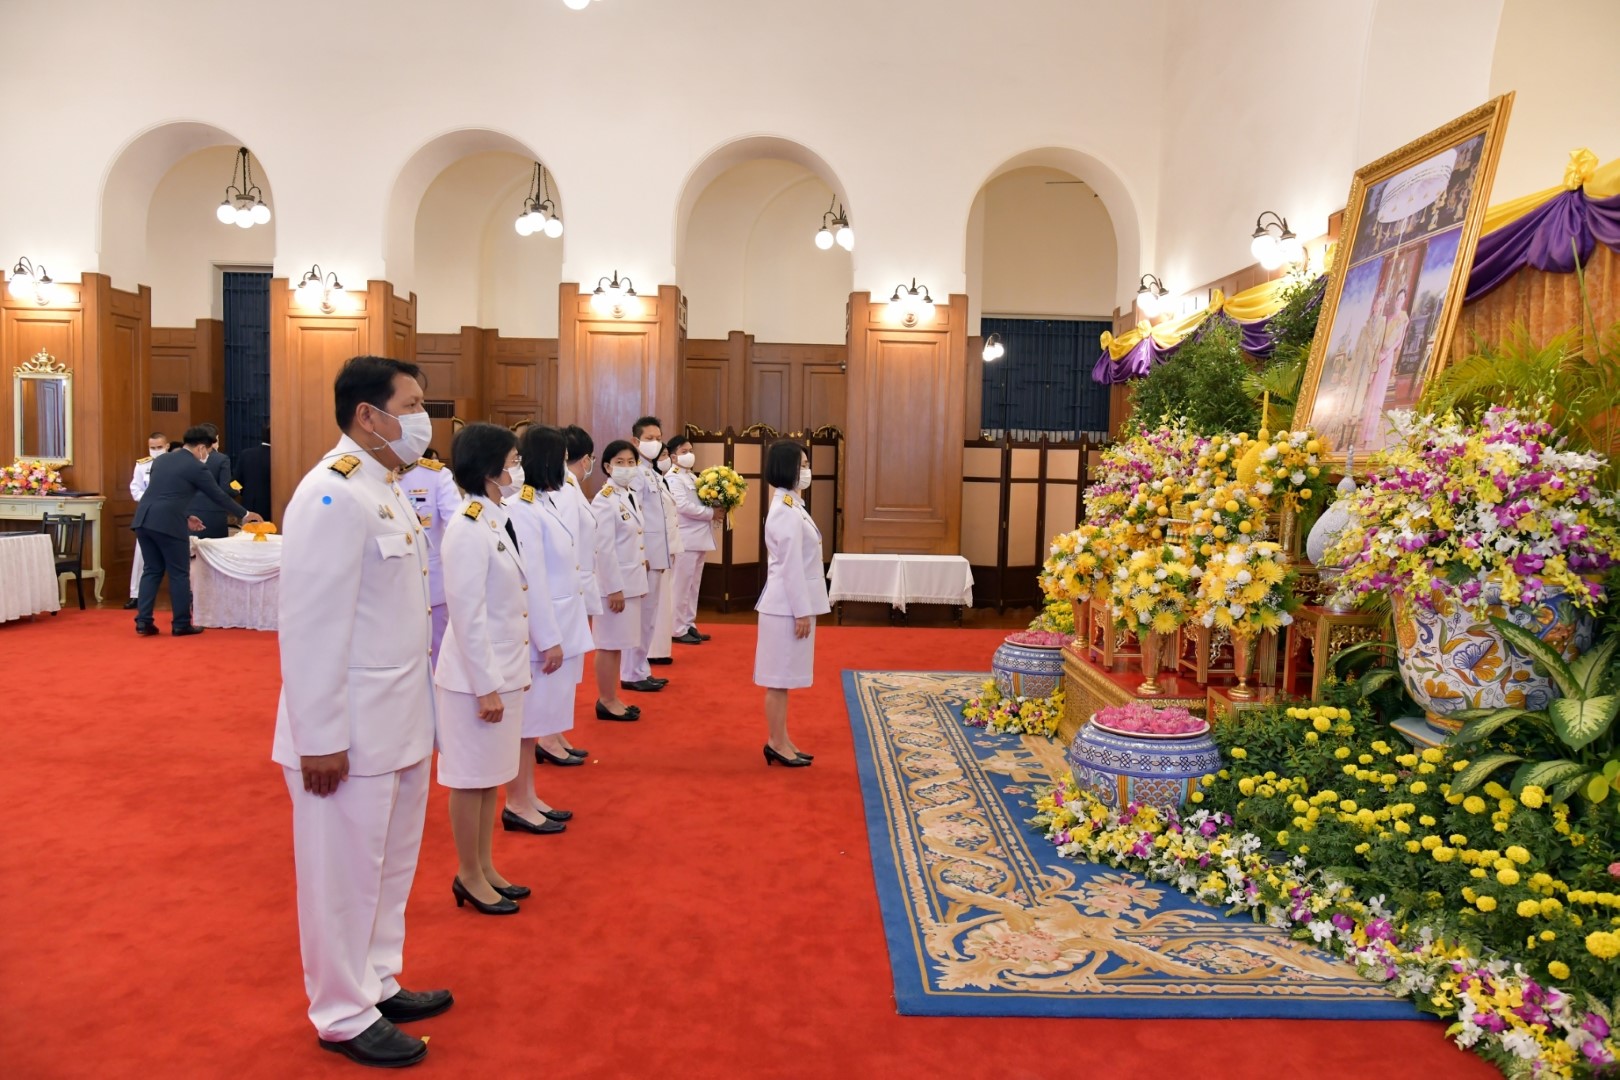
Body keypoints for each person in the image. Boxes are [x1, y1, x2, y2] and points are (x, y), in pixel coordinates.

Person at [272, 355, 449, 1069]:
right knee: (341, 877)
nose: (423, 418)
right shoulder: (331, 493)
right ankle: (342, 1011)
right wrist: (318, 738)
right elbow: (310, 625)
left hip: (397, 721)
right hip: (345, 733)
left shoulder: (386, 487)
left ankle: (375, 980)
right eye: (411, 405)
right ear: (368, 415)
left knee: (387, 867)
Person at [434, 422, 531, 915]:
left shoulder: (494, 517)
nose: (518, 469)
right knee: (469, 778)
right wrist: (486, 685)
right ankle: (467, 874)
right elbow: (467, 614)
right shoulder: (467, 526)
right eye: (513, 461)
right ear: (490, 469)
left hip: (503, 669)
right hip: (475, 679)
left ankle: (486, 865)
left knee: (490, 776)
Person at [507, 425, 591, 829]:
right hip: (543, 631)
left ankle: (529, 796)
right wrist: (548, 638)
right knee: (526, 725)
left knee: (537, 722)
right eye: (561, 458)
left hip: (562, 621)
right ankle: (517, 803)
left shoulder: (545, 500)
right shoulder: (522, 507)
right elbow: (533, 579)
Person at [131, 426, 263, 636]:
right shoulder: (196, 466)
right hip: (168, 524)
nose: (207, 455)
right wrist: (245, 514)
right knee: (179, 573)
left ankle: (143, 621)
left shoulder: (162, 460)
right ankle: (181, 623)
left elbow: (164, 494)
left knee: (152, 570)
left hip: (143, 520)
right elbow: (217, 494)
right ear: (201, 448)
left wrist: (186, 516)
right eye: (208, 451)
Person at [755, 440, 828, 767]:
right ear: (785, 468)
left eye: (807, 464)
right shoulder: (784, 511)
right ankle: (775, 742)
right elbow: (790, 566)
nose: (807, 471)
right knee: (778, 679)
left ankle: (782, 739)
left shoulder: (793, 505)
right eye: (802, 465)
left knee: (784, 679)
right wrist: (802, 611)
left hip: (790, 604)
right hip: (785, 606)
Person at [591, 440, 650, 720]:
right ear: (607, 466)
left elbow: (633, 538)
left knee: (618, 644)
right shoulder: (604, 500)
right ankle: (606, 700)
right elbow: (603, 549)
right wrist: (613, 588)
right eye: (619, 462)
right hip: (615, 587)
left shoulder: (628, 494)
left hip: (630, 582)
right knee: (608, 644)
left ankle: (612, 696)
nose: (626, 467)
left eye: (631, 462)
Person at [622, 416, 672, 692]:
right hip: (646, 557)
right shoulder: (636, 474)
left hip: (658, 555)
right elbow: (635, 517)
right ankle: (632, 673)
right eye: (649, 438)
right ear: (636, 441)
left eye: (658, 438)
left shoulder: (652, 473)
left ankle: (641, 668)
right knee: (640, 619)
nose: (655, 443)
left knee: (649, 617)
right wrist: (641, 554)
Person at [401, 450, 461, 666]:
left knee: (437, 657)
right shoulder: (369, 474)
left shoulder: (435, 475)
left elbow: (457, 526)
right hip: (383, 589)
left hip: (430, 587)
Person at [665, 434, 716, 644]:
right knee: (681, 585)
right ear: (673, 457)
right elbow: (683, 506)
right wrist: (712, 513)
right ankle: (676, 628)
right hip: (685, 538)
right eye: (684, 452)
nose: (689, 455)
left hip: (699, 538)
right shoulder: (673, 478)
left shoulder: (693, 477)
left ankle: (689, 623)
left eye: (691, 451)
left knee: (693, 585)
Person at [1358, 286, 1412, 450]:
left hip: (1387, 358)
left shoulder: (1403, 318)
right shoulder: (1387, 318)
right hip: (1378, 356)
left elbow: (1398, 340)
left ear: (1404, 301)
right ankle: (1363, 434)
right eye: (1397, 298)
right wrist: (1378, 353)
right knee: (1370, 395)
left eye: (1402, 299)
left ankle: (1370, 436)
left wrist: (1386, 354)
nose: (1399, 301)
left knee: (1378, 396)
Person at [124, 431, 169, 610]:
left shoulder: (174, 464)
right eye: (153, 447)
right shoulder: (142, 465)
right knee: (141, 556)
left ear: (167, 446)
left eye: (159, 447)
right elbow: (135, 489)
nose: (156, 450)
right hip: (148, 513)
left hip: (170, 513)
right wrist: (152, 500)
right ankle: (136, 594)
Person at [647, 441, 682, 667]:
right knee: (654, 604)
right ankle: (652, 651)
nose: (666, 459)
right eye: (663, 455)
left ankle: (660, 649)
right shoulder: (647, 478)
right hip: (655, 550)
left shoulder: (661, 480)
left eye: (667, 454)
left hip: (667, 547)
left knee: (664, 602)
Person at [188, 424, 237, 538]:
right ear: (215, 439)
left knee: (193, 546)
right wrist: (236, 491)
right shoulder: (222, 459)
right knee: (215, 547)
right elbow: (225, 488)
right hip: (215, 513)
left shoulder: (188, 457)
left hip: (191, 512)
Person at [235, 427, 273, 520]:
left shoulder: (246, 454)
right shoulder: (278, 456)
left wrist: (245, 492)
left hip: (249, 506)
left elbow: (233, 482)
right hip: (272, 507)